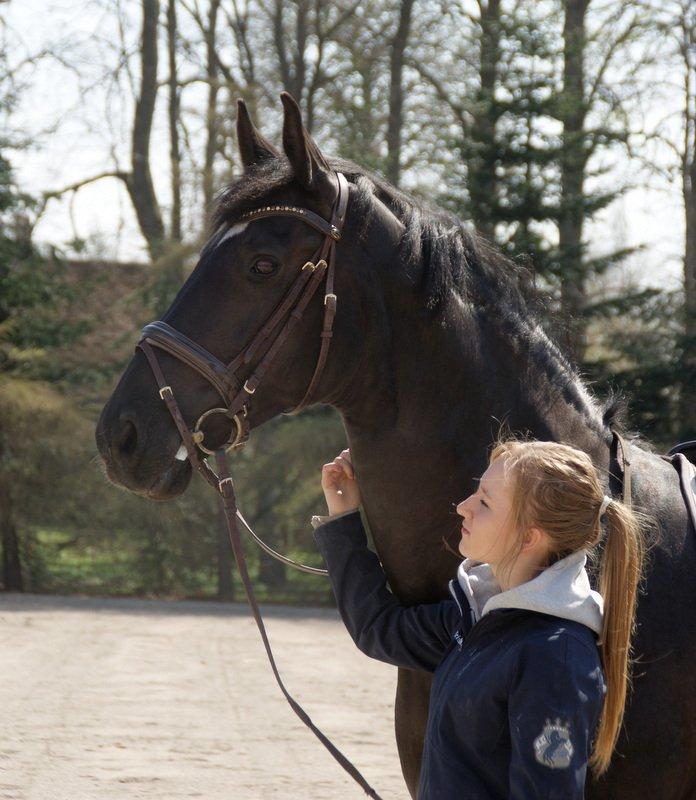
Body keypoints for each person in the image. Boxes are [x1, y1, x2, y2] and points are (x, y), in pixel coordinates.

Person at [310, 435, 651, 800]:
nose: (463, 507)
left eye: (485, 502)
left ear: (528, 538)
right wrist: (343, 518)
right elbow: (380, 629)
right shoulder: (480, 617)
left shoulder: (555, 659)